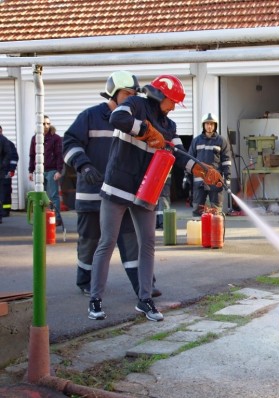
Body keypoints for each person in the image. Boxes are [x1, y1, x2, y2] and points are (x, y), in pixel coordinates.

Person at [88, 74, 222, 322]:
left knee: (148, 244)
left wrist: (202, 170)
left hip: (145, 190)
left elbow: (178, 154)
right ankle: (95, 300)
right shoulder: (136, 105)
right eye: (172, 101)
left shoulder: (170, 126)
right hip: (118, 185)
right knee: (107, 243)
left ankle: (145, 300)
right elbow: (117, 117)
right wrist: (146, 131)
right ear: (160, 95)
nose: (173, 107)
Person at [63, 70, 161, 298]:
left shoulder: (136, 120)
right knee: (90, 242)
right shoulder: (89, 117)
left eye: (134, 94)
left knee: (132, 241)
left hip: (123, 193)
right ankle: (86, 282)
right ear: (113, 94)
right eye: (127, 94)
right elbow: (69, 144)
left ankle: (143, 286)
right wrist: (83, 166)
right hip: (92, 194)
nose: (132, 98)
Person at [188, 112, 232, 215]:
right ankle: (198, 230)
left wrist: (228, 178)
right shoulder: (196, 141)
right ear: (203, 125)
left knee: (216, 211)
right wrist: (188, 177)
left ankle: (216, 231)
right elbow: (190, 160)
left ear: (215, 126)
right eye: (207, 124)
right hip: (199, 181)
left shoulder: (221, 141)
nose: (209, 126)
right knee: (197, 211)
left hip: (215, 181)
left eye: (212, 124)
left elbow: (226, 161)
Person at [28, 115, 64, 226]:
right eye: (43, 123)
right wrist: (30, 171)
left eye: (48, 123)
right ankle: (42, 217)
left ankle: (56, 219)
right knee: (41, 196)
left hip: (52, 170)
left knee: (53, 196)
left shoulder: (56, 138)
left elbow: (59, 155)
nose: (46, 126)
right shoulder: (35, 138)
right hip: (39, 171)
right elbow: (32, 155)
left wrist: (59, 170)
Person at [0, 125, 18, 218]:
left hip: (6, 171)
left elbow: (14, 157)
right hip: (4, 170)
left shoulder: (7, 143)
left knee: (5, 191)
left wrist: (11, 169)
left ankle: (5, 210)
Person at [0, 127, 12, 224]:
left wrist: (3, 166)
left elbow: (9, 154)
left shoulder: (4, 141)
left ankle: (4, 212)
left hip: (2, 172)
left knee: (4, 193)